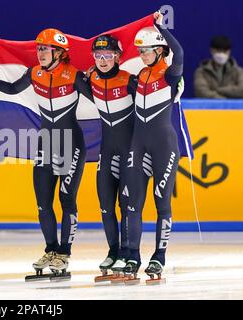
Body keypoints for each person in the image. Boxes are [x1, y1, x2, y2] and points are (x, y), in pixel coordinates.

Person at [0, 28, 93, 281]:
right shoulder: (34, 73)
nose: (40, 53)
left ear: (60, 53)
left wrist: (99, 77)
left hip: (71, 143)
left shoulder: (73, 75)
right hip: (46, 145)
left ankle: (64, 252)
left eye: (45, 49)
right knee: (42, 203)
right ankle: (51, 250)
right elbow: (8, 88)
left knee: (66, 200)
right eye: (38, 48)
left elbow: (101, 98)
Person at [124, 10, 184, 284]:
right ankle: (133, 256)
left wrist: (160, 28)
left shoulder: (171, 75)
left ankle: (159, 257)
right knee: (132, 204)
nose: (142, 55)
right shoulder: (137, 78)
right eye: (140, 50)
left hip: (164, 145)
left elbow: (180, 53)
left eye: (147, 50)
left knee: (162, 203)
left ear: (160, 50)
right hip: (139, 144)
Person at [87, 35, 137, 281]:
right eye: (98, 56)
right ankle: (113, 250)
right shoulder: (92, 79)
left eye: (108, 55)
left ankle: (128, 252)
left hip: (129, 150)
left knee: (127, 206)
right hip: (106, 151)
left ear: (118, 56)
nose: (103, 60)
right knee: (106, 205)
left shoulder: (129, 80)